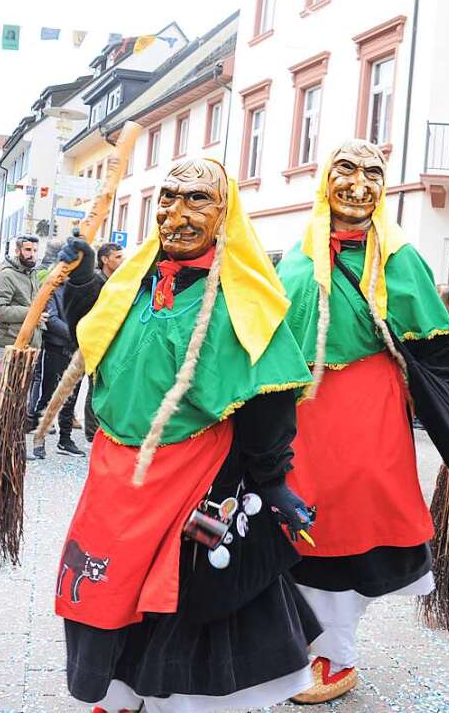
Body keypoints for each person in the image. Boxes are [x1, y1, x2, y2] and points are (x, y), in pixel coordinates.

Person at [52, 159, 320, 712]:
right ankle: (122, 691)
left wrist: (273, 482)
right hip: (115, 470)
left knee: (182, 593)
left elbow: (266, 401)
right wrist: (80, 280)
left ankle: (181, 702)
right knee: (106, 580)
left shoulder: (242, 299)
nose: (177, 213)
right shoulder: (134, 282)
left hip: (194, 471)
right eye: (169, 198)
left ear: (225, 214)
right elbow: (98, 340)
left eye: (197, 200)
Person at [275, 140, 449, 704]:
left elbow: (435, 346)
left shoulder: (399, 256)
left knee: (349, 529)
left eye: (372, 173)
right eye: (346, 169)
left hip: (367, 409)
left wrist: (443, 404)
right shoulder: (297, 252)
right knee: (294, 523)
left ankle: (336, 655)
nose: (358, 183)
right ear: (325, 178)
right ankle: (297, 641)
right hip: (299, 412)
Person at [60, 241, 124, 442]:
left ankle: (98, 431)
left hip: (110, 343)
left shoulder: (119, 282)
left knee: (102, 387)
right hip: (89, 343)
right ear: (105, 259)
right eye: (118, 257)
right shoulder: (94, 283)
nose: (122, 261)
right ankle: (84, 434)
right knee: (85, 388)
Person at [29, 284, 85, 460]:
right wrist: (77, 333)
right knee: (48, 394)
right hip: (56, 347)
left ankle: (65, 439)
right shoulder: (53, 288)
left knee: (72, 396)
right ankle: (39, 437)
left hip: (78, 349)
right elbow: (51, 319)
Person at [0, 234, 46, 352]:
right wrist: (31, 313)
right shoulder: (7, 275)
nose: (32, 254)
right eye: (28, 250)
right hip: (8, 346)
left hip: (30, 348)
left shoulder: (34, 274)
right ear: (17, 251)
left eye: (35, 250)